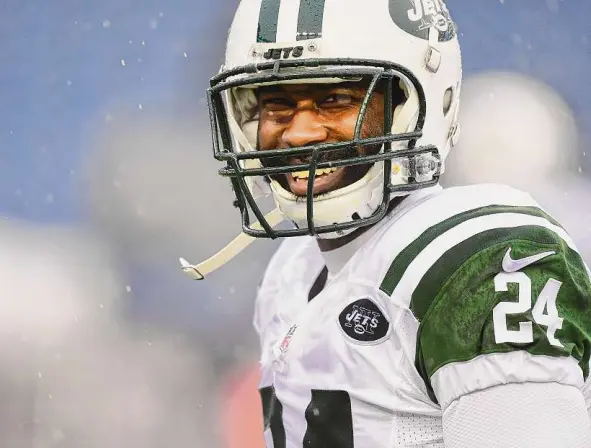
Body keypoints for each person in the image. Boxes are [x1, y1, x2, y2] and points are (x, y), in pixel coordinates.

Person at [193, 0, 591, 446]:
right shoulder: (292, 273)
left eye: (335, 100)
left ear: (414, 102)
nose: (299, 132)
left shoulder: (475, 262)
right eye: (278, 104)